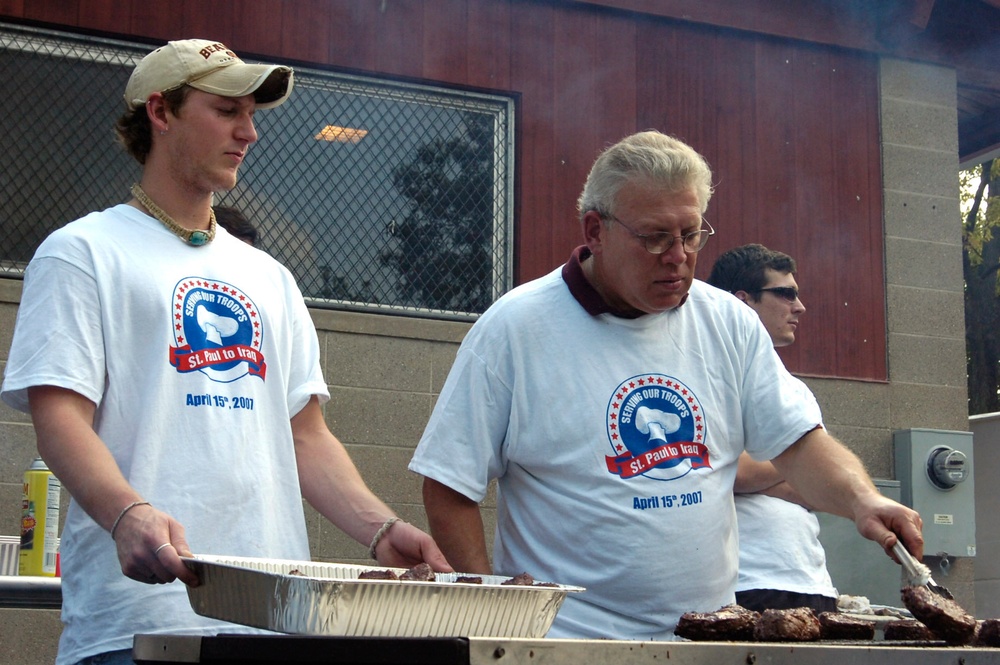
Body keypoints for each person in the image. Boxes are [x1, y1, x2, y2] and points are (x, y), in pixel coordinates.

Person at [1, 39, 450, 665]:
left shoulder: (271, 277)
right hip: (136, 628)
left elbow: (306, 437)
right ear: (161, 112)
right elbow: (59, 421)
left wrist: (379, 529)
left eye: (253, 115)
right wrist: (127, 512)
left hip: (274, 624)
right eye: (226, 111)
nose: (249, 132)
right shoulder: (82, 252)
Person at [408, 130, 923, 640]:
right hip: (565, 642)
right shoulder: (514, 328)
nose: (678, 256)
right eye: (655, 237)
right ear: (596, 230)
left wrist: (862, 500)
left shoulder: (729, 322)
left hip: (707, 639)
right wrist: (496, 608)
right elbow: (449, 485)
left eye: (692, 234)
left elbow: (799, 444)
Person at [707, 243, 838, 613]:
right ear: (743, 301)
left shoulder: (795, 391)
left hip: (812, 583)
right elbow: (733, 472)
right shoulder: (707, 380)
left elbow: (821, 489)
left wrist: (789, 470)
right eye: (785, 293)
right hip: (745, 584)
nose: (800, 306)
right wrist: (796, 465)